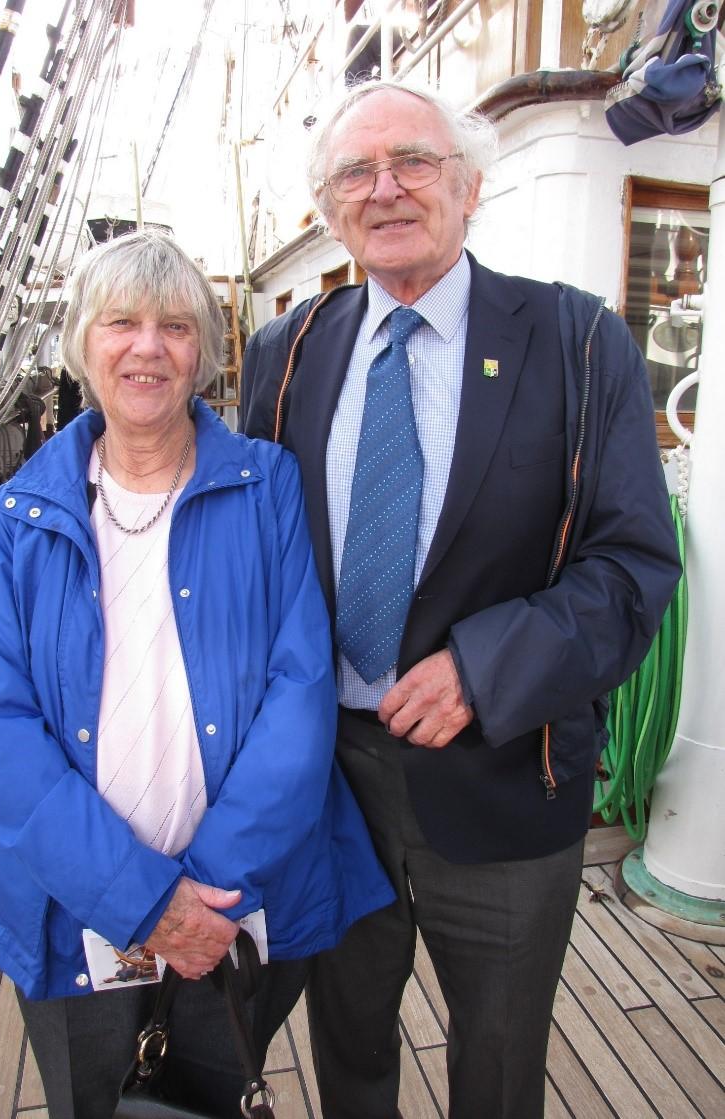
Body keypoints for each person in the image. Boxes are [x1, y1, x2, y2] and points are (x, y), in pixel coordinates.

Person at [240, 79, 682, 1119]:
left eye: (414, 162)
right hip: (328, 784)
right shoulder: (287, 352)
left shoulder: (579, 345)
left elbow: (630, 569)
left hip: (504, 782)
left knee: (495, 1067)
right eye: (356, 171)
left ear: (470, 183)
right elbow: (245, 551)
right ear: (330, 206)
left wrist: (485, 669)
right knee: (346, 1053)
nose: (386, 188)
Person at [0, 228, 394, 1119]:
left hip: (239, 901)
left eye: (175, 325)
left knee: (215, 1092)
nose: (147, 346)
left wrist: (206, 901)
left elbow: (298, 693)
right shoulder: (20, 514)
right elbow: (5, 734)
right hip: (67, 901)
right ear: (83, 344)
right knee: (94, 1101)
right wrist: (147, 902)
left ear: (203, 352)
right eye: (121, 322)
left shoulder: (266, 487)